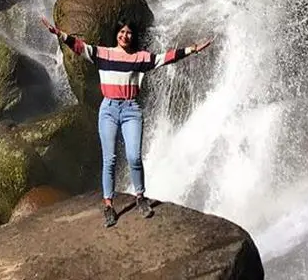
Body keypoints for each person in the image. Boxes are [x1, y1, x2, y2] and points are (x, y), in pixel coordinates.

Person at [39, 13, 213, 228]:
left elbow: (166, 57)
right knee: (110, 159)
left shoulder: (140, 58)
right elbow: (80, 46)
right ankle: (108, 205)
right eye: (122, 32)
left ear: (133, 36)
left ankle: (140, 197)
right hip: (109, 109)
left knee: (134, 157)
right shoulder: (103, 54)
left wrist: (192, 49)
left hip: (131, 110)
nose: (125, 36)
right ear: (117, 34)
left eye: (129, 33)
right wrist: (59, 33)